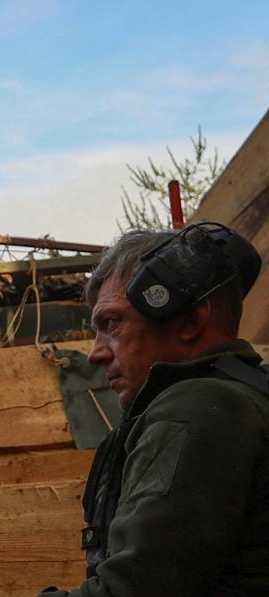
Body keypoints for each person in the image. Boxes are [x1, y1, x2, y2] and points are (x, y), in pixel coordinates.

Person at [40, 222, 269, 596]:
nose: (96, 352)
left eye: (112, 324)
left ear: (191, 320)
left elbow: (133, 591)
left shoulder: (199, 408)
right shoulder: (245, 397)